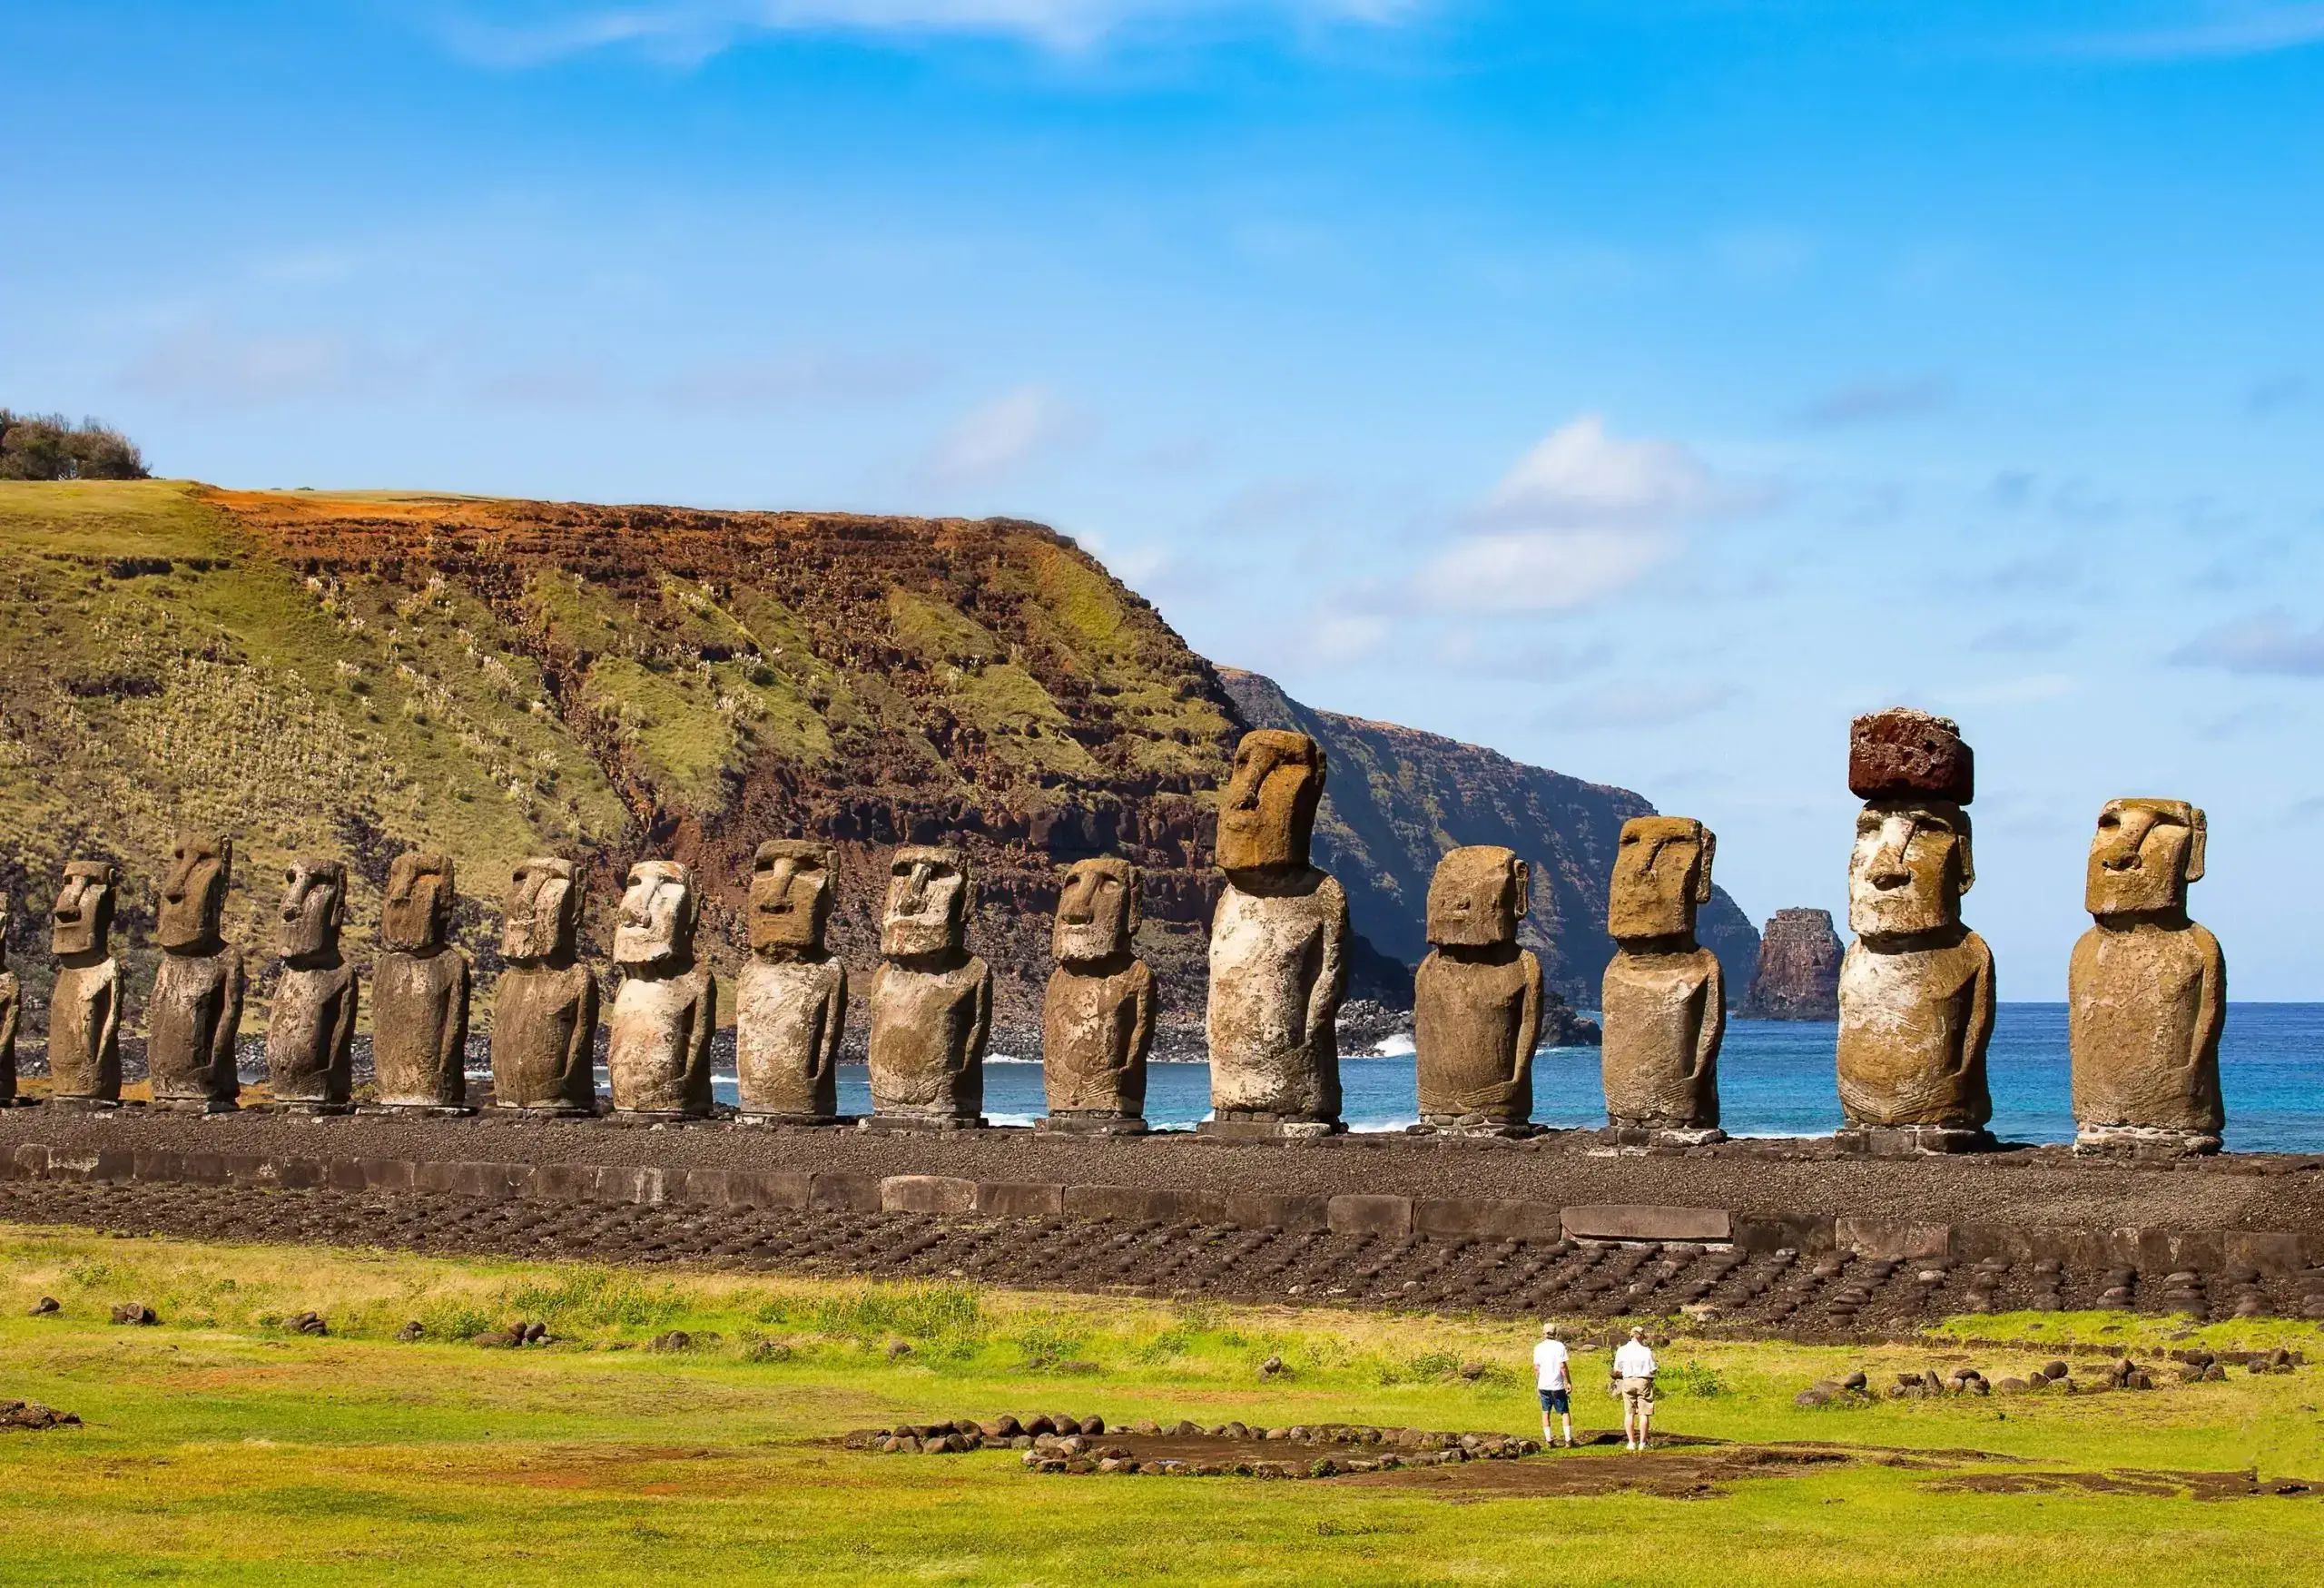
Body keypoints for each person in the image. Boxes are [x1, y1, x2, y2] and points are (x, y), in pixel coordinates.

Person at [1612, 1326, 1658, 1451]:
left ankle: (1631, 1443)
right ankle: (1643, 1443)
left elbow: (1617, 1369)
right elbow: (1653, 1368)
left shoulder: (1622, 1350)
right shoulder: (1646, 1351)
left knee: (1629, 1413)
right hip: (1643, 1380)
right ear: (1642, 1336)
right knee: (1644, 1413)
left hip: (1627, 1380)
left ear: (1631, 1335)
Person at [1531, 1322, 1573, 1447]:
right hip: (1557, 1385)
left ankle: (1549, 1440)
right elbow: (1562, 1366)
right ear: (1556, 1334)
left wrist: (1537, 1384)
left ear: (1543, 1333)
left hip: (1543, 1385)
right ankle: (1568, 1440)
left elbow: (1536, 1368)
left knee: (1545, 1412)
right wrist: (1568, 1381)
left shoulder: (1538, 1347)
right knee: (1564, 1412)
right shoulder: (1559, 1346)